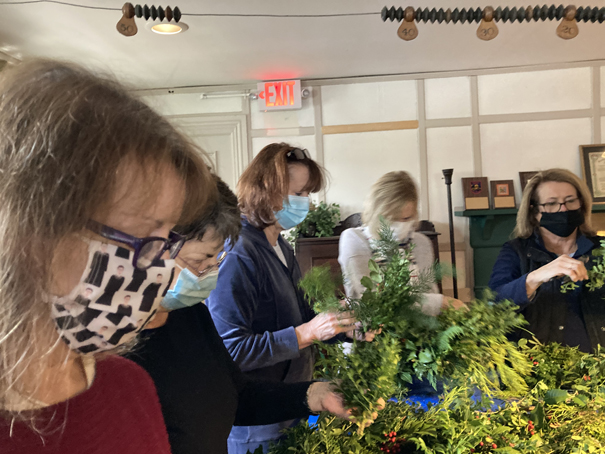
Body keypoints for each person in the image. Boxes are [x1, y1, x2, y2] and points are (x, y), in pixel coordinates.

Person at [0, 60, 215, 453]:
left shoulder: (128, 385)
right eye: (142, 236)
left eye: (166, 240)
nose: (164, 271)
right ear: (32, 233)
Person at [130, 176, 360, 454]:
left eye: (217, 258)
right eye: (198, 261)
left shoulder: (191, 315)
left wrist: (316, 394)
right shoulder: (119, 346)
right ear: (151, 250)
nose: (210, 273)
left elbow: (236, 396)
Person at [207, 144, 374, 454]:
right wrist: (305, 334)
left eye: (307, 194)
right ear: (266, 190)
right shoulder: (239, 253)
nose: (304, 202)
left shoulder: (280, 245)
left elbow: (302, 316)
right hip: (257, 422)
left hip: (291, 406)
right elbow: (231, 351)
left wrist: (344, 328)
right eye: (297, 193)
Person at [489, 168, 605, 352]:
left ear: (582, 205)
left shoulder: (600, 249)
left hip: (597, 360)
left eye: (570, 201)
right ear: (535, 212)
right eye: (552, 203)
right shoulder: (516, 251)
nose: (563, 209)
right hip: (536, 361)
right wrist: (535, 277)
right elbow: (493, 304)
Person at [338, 171, 466, 313]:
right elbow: (369, 300)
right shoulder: (354, 239)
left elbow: (429, 294)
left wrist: (439, 305)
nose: (399, 225)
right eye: (391, 218)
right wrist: (440, 302)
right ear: (376, 213)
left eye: (406, 218)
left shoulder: (421, 244)